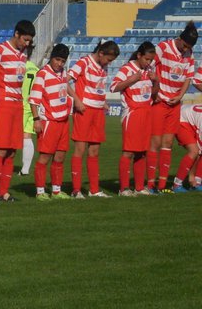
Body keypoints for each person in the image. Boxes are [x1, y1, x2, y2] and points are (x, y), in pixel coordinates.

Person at [0, 19, 36, 202]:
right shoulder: (0, 51)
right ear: (17, 34)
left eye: (29, 41)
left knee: (12, 151)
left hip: (17, 105)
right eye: (25, 39)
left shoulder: (22, 53)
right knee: (0, 149)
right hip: (2, 104)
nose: (27, 44)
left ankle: (3, 191)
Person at [148, 22, 197, 193]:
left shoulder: (189, 53)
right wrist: (156, 88)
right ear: (179, 39)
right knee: (155, 142)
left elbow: (188, 78)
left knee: (168, 142)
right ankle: (150, 184)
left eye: (188, 47)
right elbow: (149, 66)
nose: (185, 50)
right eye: (184, 45)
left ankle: (162, 186)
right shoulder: (163, 47)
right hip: (159, 102)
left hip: (175, 104)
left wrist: (180, 96)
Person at [67, 39, 120, 199]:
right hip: (84, 111)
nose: (109, 63)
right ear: (101, 53)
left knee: (94, 151)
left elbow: (98, 87)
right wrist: (76, 100)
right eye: (108, 59)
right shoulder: (84, 62)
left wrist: (102, 101)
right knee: (80, 149)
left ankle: (94, 190)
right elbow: (65, 80)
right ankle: (76, 190)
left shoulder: (104, 67)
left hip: (98, 112)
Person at [110, 41, 158, 196]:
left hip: (146, 112)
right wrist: (132, 79)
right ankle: (123, 188)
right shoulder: (127, 69)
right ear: (139, 56)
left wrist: (156, 80)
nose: (149, 62)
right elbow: (113, 87)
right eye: (147, 59)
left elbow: (154, 95)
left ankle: (139, 187)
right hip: (132, 113)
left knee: (142, 152)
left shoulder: (150, 70)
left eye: (151, 60)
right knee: (129, 152)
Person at [29, 43, 72, 200]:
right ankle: (40, 191)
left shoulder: (62, 72)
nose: (59, 64)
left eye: (62, 61)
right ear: (51, 57)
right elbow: (33, 99)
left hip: (63, 120)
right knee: (45, 157)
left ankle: (56, 190)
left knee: (60, 156)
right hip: (49, 121)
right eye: (57, 60)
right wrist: (36, 120)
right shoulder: (43, 74)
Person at [171, 104, 202, 192]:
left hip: (188, 118)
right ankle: (177, 185)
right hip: (180, 119)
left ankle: (197, 182)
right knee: (194, 151)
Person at [20, 44, 39, 176]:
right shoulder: (36, 69)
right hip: (32, 105)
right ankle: (25, 169)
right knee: (28, 136)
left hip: (20, 104)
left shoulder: (20, 67)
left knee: (14, 137)